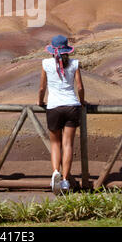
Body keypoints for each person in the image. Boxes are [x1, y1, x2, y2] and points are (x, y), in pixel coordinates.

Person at [37, 35, 86, 194]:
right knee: (68, 145)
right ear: (67, 50)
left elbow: (42, 88)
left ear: (52, 50)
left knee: (55, 144)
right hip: (72, 106)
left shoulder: (46, 64)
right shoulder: (74, 64)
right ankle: (65, 180)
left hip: (54, 107)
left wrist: (40, 101)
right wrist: (83, 101)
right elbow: (79, 87)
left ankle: (55, 172)